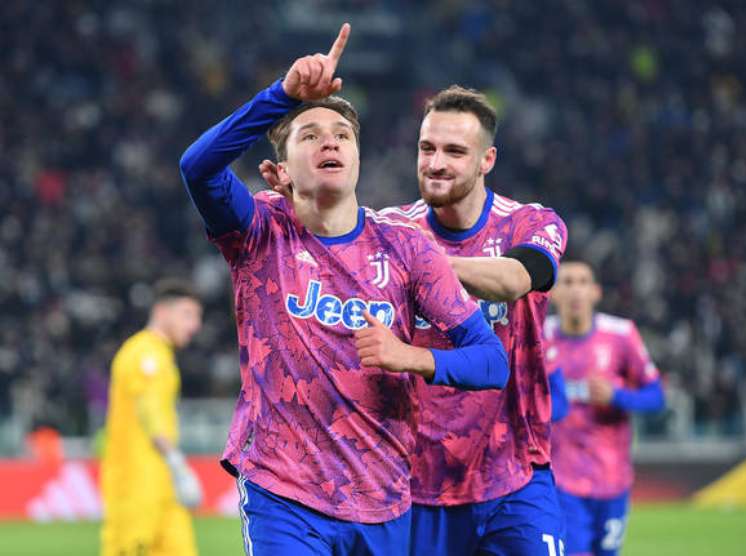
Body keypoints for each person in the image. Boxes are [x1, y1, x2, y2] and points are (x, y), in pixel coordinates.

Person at [179, 24, 509, 556]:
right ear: (281, 170)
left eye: (342, 134)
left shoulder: (406, 248)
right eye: (309, 135)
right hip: (283, 492)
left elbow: (491, 362)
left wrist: (412, 357)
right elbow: (197, 168)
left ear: (357, 158)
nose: (329, 140)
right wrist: (282, 97)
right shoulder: (260, 229)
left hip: (383, 496)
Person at [263, 85, 569, 555]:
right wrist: (301, 198)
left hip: (514, 473)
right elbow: (324, 251)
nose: (436, 163)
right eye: (427, 148)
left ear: (487, 160)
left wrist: (424, 266)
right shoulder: (390, 229)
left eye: (454, 151)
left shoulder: (529, 222)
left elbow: (513, 280)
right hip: (414, 482)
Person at [544, 260, 666, 556]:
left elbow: (657, 397)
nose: (575, 290)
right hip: (562, 479)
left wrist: (617, 396)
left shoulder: (621, 334)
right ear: (553, 293)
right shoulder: (540, 336)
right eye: (567, 282)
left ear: (595, 292)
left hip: (613, 478)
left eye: (583, 282)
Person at [100, 278, 204, 556]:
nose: (194, 326)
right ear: (161, 312)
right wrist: (177, 463)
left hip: (162, 484)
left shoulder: (160, 355)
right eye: (187, 315)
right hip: (136, 483)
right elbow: (151, 412)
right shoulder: (145, 354)